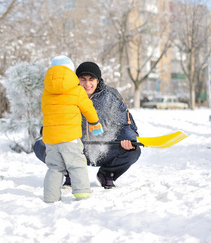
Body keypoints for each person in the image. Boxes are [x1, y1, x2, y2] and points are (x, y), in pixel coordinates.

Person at [34, 61, 141, 189]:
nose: (87, 84)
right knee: (41, 146)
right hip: (73, 149)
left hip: (104, 148)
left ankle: (107, 174)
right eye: (83, 79)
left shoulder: (111, 97)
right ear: (76, 79)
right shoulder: (64, 95)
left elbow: (125, 122)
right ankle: (70, 174)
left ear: (98, 80)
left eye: (91, 79)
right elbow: (51, 121)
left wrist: (128, 138)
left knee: (133, 151)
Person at [41, 56, 103, 203]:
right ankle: (82, 192)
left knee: (55, 168)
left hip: (50, 139)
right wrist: (95, 124)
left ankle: (51, 197)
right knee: (76, 165)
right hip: (70, 138)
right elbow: (88, 109)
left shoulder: (46, 92)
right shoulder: (77, 91)